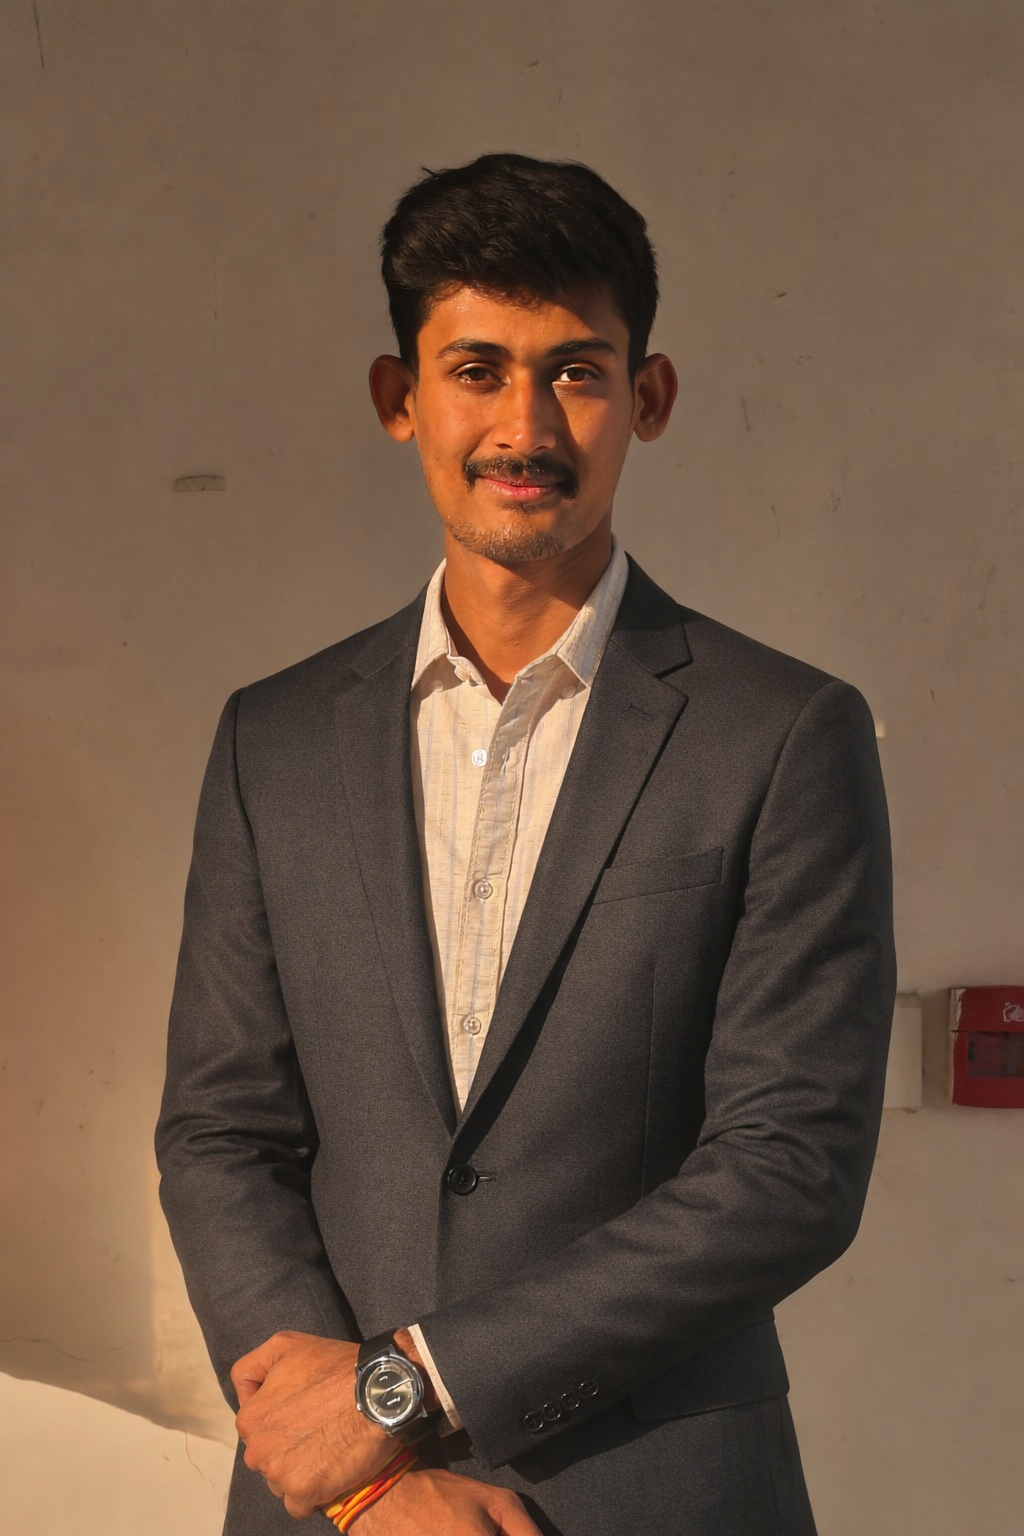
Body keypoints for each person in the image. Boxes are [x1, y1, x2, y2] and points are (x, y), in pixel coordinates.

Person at [156, 153, 896, 1536]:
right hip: (343, 1512)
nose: (525, 424)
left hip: (659, 1494)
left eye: (575, 372)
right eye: (477, 369)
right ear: (400, 398)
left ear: (648, 397)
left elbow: (789, 1165)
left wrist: (402, 1390)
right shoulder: (275, 740)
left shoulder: (784, 733)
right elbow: (221, 1133)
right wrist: (369, 1477)